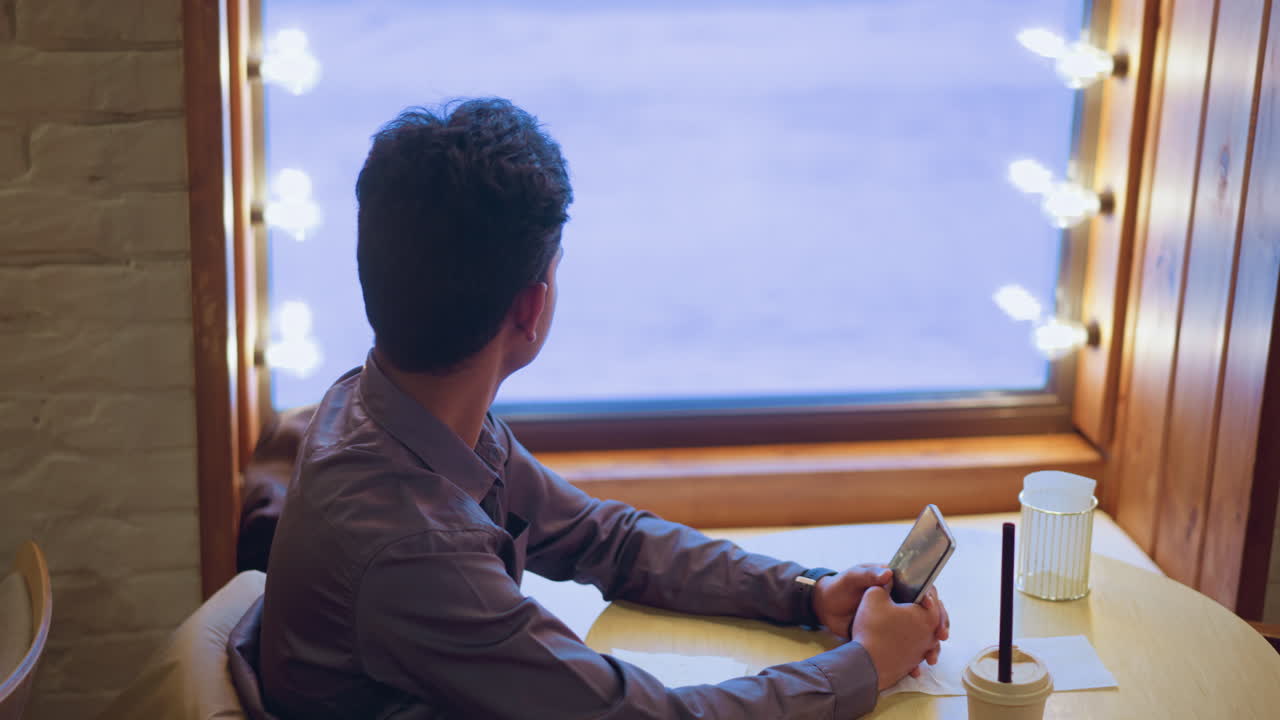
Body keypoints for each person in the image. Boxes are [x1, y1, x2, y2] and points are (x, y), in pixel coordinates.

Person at [253, 98, 949, 719]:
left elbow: (601, 538)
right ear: (532, 306)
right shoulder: (413, 548)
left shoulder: (385, 403)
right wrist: (865, 667)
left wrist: (805, 592)